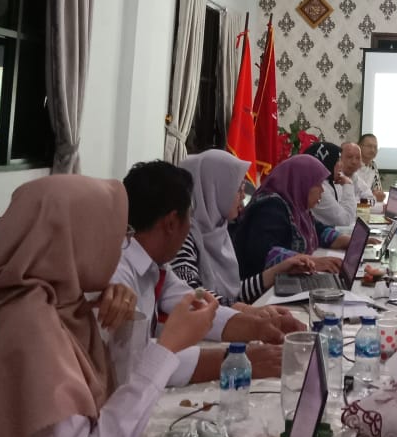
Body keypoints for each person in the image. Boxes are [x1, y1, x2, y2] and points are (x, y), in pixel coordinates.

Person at [0, 175, 219, 437]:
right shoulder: (28, 326)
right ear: (77, 240)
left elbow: (115, 380)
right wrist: (168, 346)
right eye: (116, 236)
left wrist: (116, 318)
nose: (121, 247)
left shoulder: (53, 300)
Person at [113, 161, 296, 387]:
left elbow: (197, 304)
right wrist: (236, 360)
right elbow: (135, 364)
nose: (191, 226)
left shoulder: (155, 265)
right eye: (189, 216)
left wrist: (260, 327)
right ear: (171, 223)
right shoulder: (118, 274)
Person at [171, 149, 316, 304]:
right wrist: (242, 311)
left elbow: (234, 294)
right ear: (213, 188)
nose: (242, 196)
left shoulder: (219, 230)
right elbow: (195, 297)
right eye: (238, 189)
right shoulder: (183, 237)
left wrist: (280, 270)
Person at [232, 155, 353, 279]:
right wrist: (312, 262)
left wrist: (349, 241)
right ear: (302, 183)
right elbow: (264, 252)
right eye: (318, 184)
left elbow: (318, 230)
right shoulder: (270, 207)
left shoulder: (295, 206)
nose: (322, 190)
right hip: (260, 287)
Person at [304, 140, 357, 226]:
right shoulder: (318, 188)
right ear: (327, 162)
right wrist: (348, 185)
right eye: (337, 160)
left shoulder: (330, 181)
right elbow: (345, 220)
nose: (341, 164)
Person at [353, 132, 386, 202]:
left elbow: (377, 191)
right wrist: (372, 196)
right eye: (369, 146)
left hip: (368, 205)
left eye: (375, 147)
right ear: (359, 146)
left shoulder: (373, 165)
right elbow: (352, 195)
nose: (373, 150)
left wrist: (379, 194)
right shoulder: (351, 164)